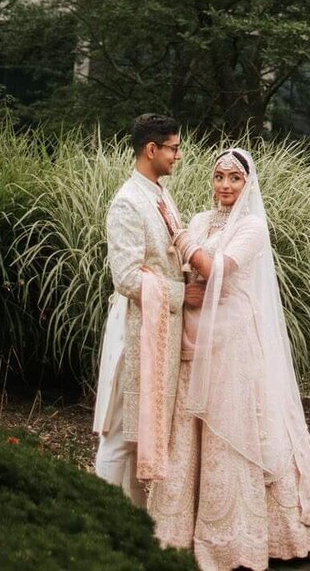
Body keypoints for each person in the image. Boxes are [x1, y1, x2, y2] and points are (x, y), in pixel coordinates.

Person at [148, 147, 310, 570]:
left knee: (233, 429)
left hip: (233, 340)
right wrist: (188, 283)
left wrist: (183, 240)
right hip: (194, 334)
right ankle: (178, 535)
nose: (225, 185)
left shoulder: (254, 227)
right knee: (190, 427)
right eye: (219, 177)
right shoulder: (203, 221)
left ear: (247, 184)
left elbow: (218, 267)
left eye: (234, 178)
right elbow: (189, 273)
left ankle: (245, 540)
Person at [93, 113, 198, 506]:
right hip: (134, 333)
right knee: (119, 433)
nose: (178, 155)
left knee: (140, 438)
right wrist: (179, 294)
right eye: (173, 148)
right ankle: (97, 526)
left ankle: (136, 529)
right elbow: (126, 277)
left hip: (157, 333)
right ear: (151, 149)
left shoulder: (159, 195)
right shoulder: (127, 203)